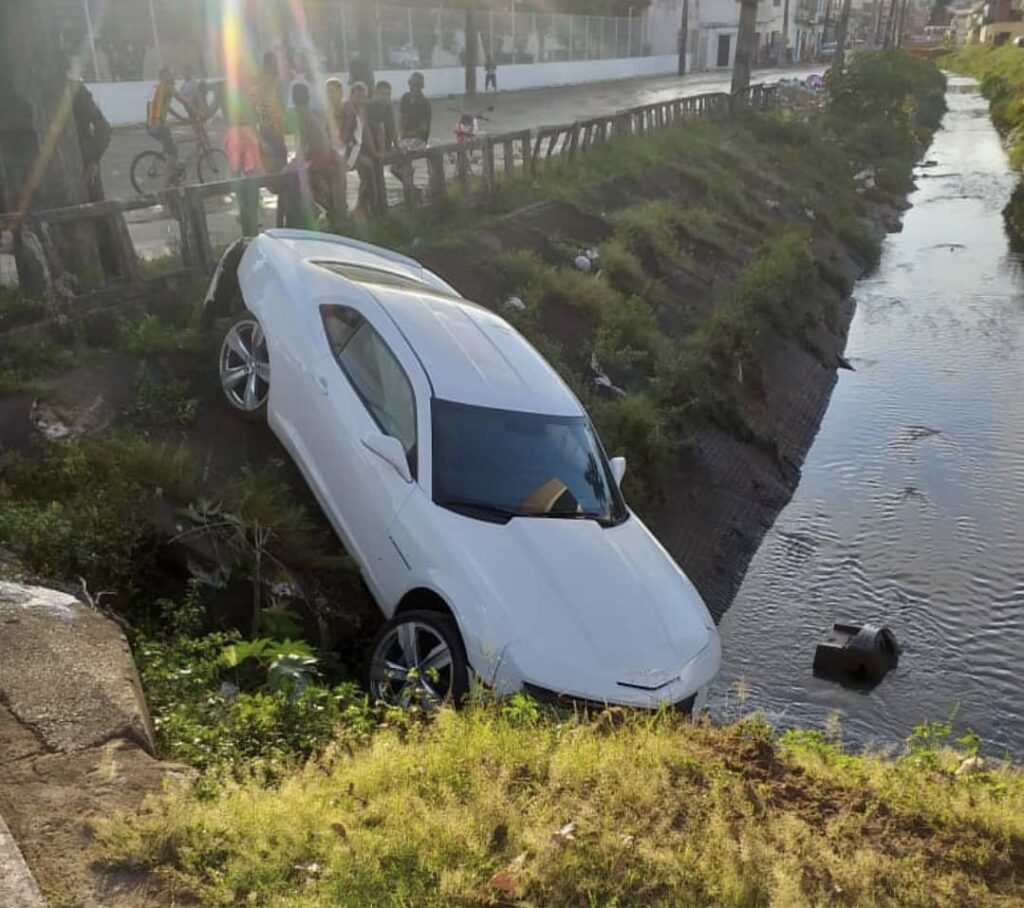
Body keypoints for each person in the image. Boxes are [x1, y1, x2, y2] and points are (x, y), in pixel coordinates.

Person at [291, 81, 341, 227]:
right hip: (325, 153)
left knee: (299, 181)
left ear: (294, 98)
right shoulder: (311, 111)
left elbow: (303, 140)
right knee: (316, 183)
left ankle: (324, 211)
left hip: (317, 156)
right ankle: (332, 212)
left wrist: (296, 160)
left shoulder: (300, 113)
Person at [147, 67, 191, 185]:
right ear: (164, 76)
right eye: (171, 74)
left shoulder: (158, 87)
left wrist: (181, 118)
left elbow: (167, 108)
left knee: (168, 147)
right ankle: (168, 181)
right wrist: (198, 113)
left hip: (151, 125)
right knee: (173, 152)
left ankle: (172, 174)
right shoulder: (167, 87)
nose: (173, 76)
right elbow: (183, 100)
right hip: (159, 125)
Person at [253, 51, 287, 173]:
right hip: (266, 137)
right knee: (272, 175)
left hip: (278, 137)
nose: (272, 77)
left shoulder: (279, 90)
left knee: (281, 173)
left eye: (274, 74)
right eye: (269, 73)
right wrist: (261, 142)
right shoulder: (256, 93)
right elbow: (251, 121)